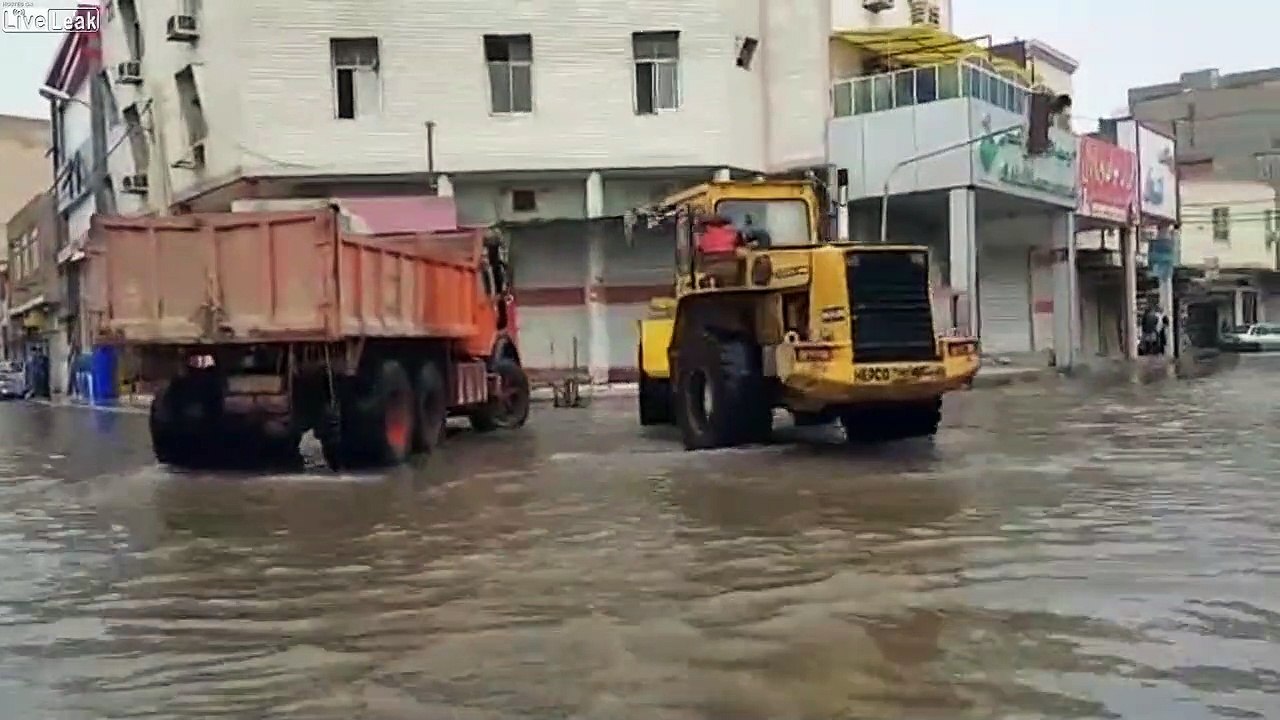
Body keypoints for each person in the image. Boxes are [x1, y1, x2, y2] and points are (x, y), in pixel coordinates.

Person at [695, 215, 742, 286]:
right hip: (729, 264)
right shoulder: (733, 232)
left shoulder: (702, 234)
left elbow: (699, 248)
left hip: (709, 264)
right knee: (729, 286)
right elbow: (739, 246)